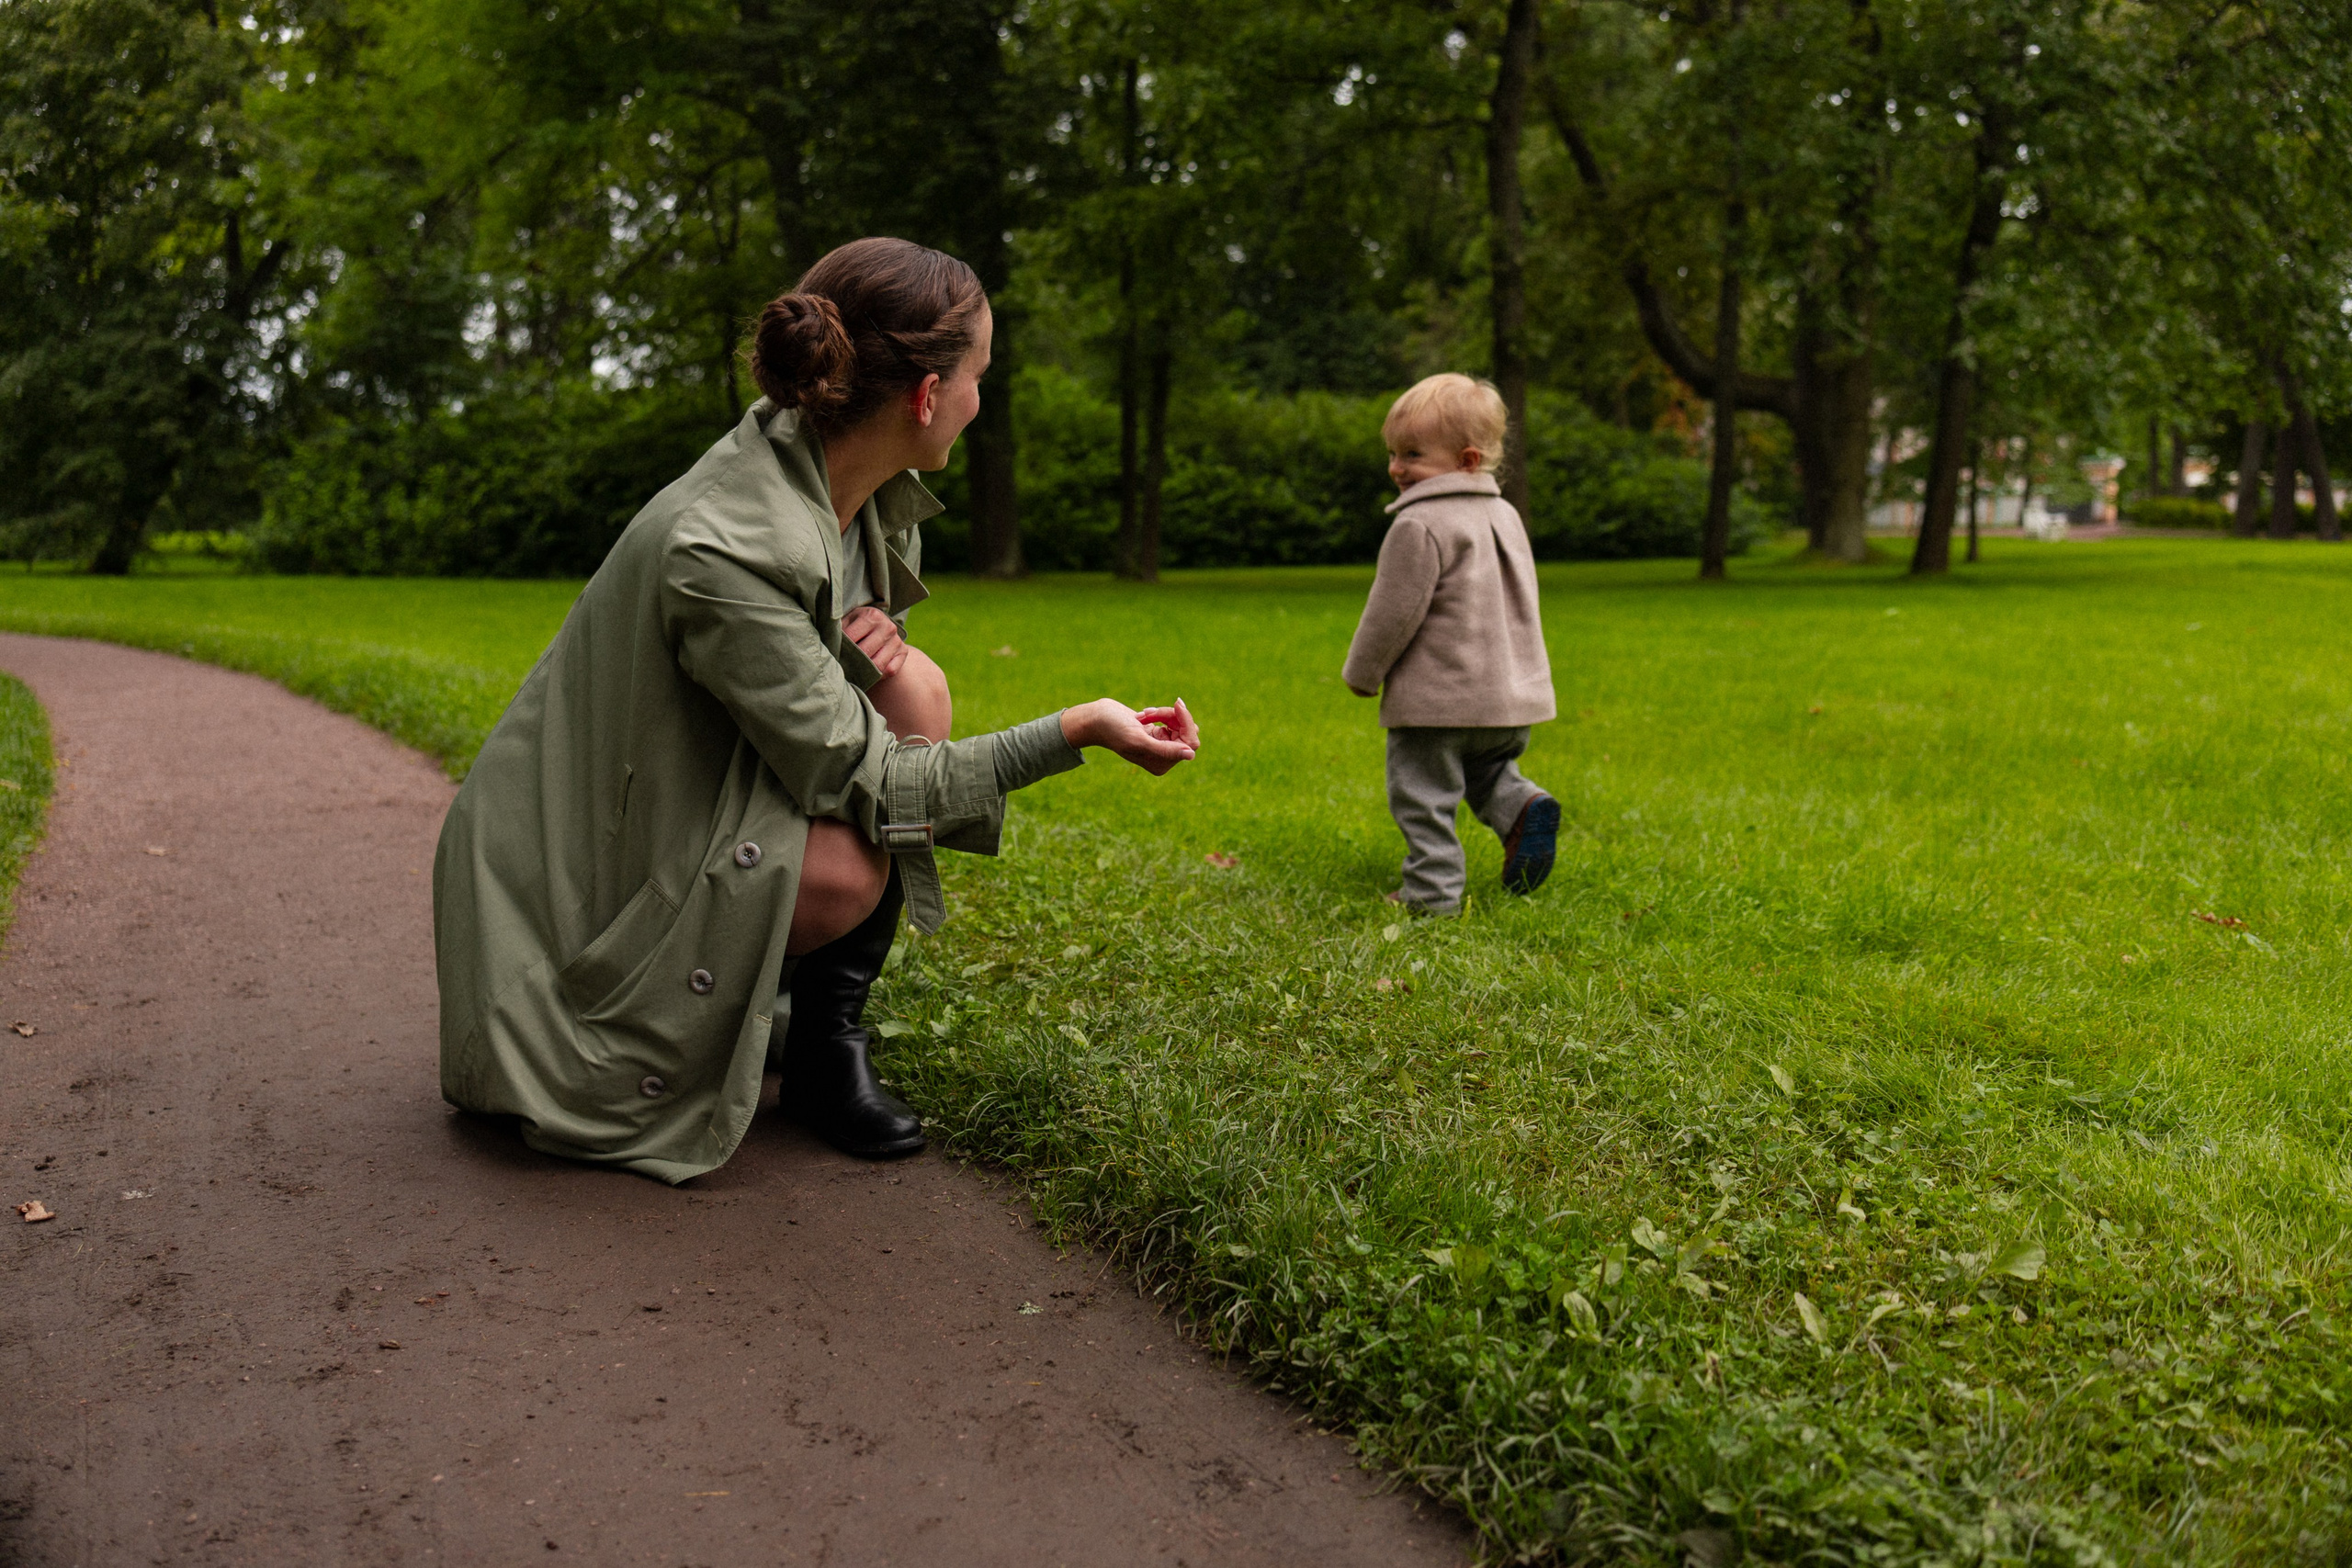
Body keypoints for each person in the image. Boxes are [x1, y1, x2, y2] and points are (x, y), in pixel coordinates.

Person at [433, 237, 1200, 1184]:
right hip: (563, 932)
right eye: (979, 376)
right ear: (924, 394)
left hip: (654, 823)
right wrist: (1076, 729)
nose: (978, 400)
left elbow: (791, 697)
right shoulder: (728, 546)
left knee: (913, 683)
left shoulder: (839, 475)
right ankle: (769, 1035)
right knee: (847, 870)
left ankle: (826, 1042)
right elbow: (876, 785)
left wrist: (844, 651)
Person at [1340, 373, 1559, 915]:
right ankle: (1522, 806)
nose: (1396, 468)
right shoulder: (1506, 516)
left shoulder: (1419, 524)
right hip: (1507, 702)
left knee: (1423, 796)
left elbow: (1391, 615)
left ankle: (1431, 895)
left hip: (1437, 705)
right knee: (1486, 773)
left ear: (1464, 460)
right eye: (1392, 453)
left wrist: (1362, 675)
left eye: (1412, 454)